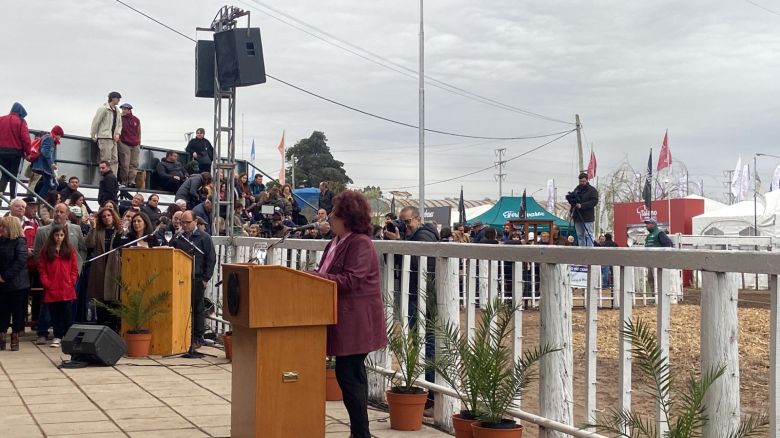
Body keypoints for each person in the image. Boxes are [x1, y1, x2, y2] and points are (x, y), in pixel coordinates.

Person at [311, 190, 387, 438]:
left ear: (348, 217)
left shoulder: (360, 243)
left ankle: (361, 433)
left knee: (350, 375)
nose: (330, 218)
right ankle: (359, 432)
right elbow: (327, 272)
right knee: (348, 375)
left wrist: (316, 277)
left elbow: (351, 280)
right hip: (341, 318)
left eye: (335, 214)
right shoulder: (333, 242)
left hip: (356, 322)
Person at [170, 210, 216, 348]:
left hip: (197, 277)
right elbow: (171, 250)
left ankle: (197, 337)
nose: (184, 225)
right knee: (181, 307)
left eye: (187, 222)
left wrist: (206, 278)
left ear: (195, 221)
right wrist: (175, 236)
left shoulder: (204, 237)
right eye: (182, 222)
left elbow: (211, 258)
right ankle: (181, 334)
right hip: (180, 277)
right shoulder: (179, 237)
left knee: (197, 308)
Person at [38, 224, 78, 348]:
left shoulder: (69, 249)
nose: (59, 238)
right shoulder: (46, 250)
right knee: (55, 314)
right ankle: (57, 336)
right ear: (52, 236)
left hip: (67, 288)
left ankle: (68, 336)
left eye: (61, 235)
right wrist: (47, 282)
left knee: (67, 314)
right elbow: (42, 268)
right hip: (52, 288)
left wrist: (71, 281)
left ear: (65, 236)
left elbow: (74, 268)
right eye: (56, 235)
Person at [85, 207, 122, 330]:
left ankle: (113, 328)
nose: (106, 218)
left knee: (113, 299)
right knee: (100, 300)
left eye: (108, 215)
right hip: (100, 268)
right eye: (104, 216)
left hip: (114, 268)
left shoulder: (119, 231)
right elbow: (89, 244)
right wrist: (93, 228)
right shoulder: (98, 231)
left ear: (113, 216)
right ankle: (101, 326)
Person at [0, 216, 29, 351]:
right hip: (2, 283)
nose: (1, 229)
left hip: (17, 283)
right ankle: (2, 335)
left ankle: (15, 337)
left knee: (17, 312)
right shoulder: (1, 241)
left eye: (4, 227)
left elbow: (20, 261)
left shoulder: (20, 241)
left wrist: (5, 276)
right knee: (2, 311)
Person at [0, 103, 31, 201]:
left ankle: (0, 195)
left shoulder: (1, 119)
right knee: (14, 176)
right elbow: (25, 138)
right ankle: (13, 198)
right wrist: (28, 153)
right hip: (16, 153)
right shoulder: (21, 121)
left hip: (1, 152)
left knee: (4, 174)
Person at [90, 91, 123, 174]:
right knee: (105, 159)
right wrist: (93, 135)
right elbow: (96, 121)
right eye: (118, 98)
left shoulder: (117, 111)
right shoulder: (103, 109)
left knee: (114, 160)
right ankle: (105, 177)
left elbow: (119, 124)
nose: (119, 100)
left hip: (113, 138)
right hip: (104, 137)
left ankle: (113, 178)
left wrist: (118, 134)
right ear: (113, 98)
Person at [31, 126, 64, 198]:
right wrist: (51, 163)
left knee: (50, 184)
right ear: (57, 134)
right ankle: (43, 201)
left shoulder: (46, 137)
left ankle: (42, 201)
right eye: (60, 136)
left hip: (43, 165)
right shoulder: (49, 138)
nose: (59, 138)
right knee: (51, 184)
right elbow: (45, 151)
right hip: (44, 166)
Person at [569, 172, 599, 247]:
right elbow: (573, 201)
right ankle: (581, 250)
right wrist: (571, 212)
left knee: (588, 235)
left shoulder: (592, 190)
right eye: (580, 181)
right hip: (577, 217)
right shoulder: (577, 189)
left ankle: (589, 251)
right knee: (579, 235)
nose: (582, 183)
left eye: (583, 181)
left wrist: (582, 205)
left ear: (587, 180)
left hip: (588, 217)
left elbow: (594, 201)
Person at [117, 103, 141, 187]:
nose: (123, 110)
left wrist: (139, 143)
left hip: (135, 144)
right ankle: (124, 181)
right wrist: (119, 141)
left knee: (134, 163)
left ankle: (132, 181)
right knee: (125, 163)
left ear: (129, 110)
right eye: (123, 109)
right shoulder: (119, 118)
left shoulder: (136, 120)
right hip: (123, 142)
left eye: (125, 109)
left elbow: (138, 132)